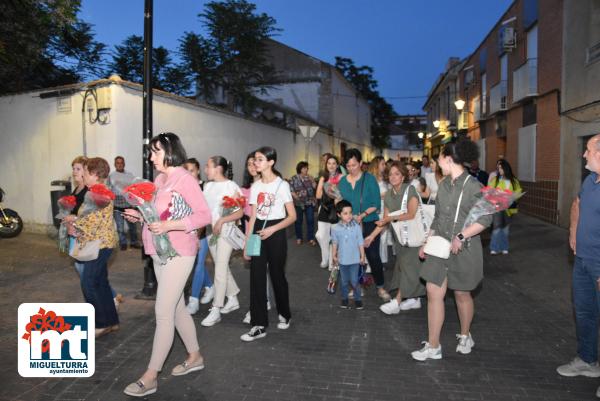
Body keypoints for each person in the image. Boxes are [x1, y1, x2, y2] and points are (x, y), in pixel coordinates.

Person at [123, 133, 211, 397]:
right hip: (158, 250)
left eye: (155, 152)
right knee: (177, 308)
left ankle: (151, 376)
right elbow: (159, 213)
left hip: (180, 251)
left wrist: (170, 225)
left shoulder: (184, 178)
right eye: (151, 152)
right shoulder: (160, 180)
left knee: (163, 312)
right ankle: (195, 356)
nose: (151, 157)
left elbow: (204, 215)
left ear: (170, 151)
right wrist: (139, 215)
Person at [411, 138, 492, 361]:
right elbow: (438, 217)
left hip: (463, 247)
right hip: (440, 245)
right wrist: (427, 241)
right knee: (433, 292)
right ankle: (434, 346)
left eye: (439, 158)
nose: (437, 163)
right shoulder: (444, 184)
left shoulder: (474, 186)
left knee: (462, 293)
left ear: (449, 159)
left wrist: (462, 235)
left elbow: (486, 219)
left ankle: (465, 335)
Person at [557, 135, 600, 399]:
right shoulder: (590, 181)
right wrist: (573, 231)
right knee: (584, 313)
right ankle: (588, 361)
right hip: (583, 261)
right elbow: (578, 204)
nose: (583, 156)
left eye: (588, 151)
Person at [242, 146, 296, 342]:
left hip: (276, 230)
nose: (256, 162)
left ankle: (284, 312)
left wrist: (273, 229)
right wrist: (248, 242)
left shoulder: (282, 186)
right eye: (255, 159)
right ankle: (258, 324)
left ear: (271, 162)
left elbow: (292, 216)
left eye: (260, 159)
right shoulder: (255, 187)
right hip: (258, 231)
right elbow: (254, 216)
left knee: (277, 274)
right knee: (256, 276)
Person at [67, 157, 119, 338]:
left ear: (95, 175)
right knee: (100, 282)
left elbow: (93, 221)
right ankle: (111, 321)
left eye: (87, 172)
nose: (84, 175)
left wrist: (75, 226)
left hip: (98, 244)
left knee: (89, 283)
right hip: (103, 243)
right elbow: (92, 217)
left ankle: (101, 323)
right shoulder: (99, 190)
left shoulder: (96, 193)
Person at [365, 161, 425, 314]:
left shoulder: (410, 190)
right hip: (401, 239)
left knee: (407, 269)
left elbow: (411, 214)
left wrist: (390, 219)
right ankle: (415, 299)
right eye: (390, 174)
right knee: (406, 268)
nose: (393, 176)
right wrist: (371, 237)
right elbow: (384, 221)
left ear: (403, 176)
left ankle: (396, 302)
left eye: (397, 173)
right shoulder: (389, 196)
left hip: (414, 238)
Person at [338, 148, 391, 301]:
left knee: (373, 256)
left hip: (368, 223)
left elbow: (376, 204)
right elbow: (341, 202)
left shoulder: (369, 179)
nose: (351, 169)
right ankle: (357, 286)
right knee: (354, 258)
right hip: (349, 225)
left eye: (354, 165)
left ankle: (380, 287)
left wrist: (361, 215)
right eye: (348, 166)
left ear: (361, 163)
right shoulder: (343, 182)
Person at [200, 156, 243, 327]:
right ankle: (232, 298)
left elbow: (239, 213)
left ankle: (216, 308)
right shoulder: (208, 186)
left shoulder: (231, 187)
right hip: (211, 232)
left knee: (219, 268)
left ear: (218, 168)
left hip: (225, 232)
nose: (205, 170)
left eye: (207, 166)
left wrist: (221, 221)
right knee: (221, 265)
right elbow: (204, 210)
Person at [184, 158, 214, 314]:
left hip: (202, 231)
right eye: (186, 170)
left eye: (191, 170)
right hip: (188, 231)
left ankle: (193, 300)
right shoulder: (183, 187)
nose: (189, 173)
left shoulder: (205, 187)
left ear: (197, 171)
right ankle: (210, 286)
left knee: (199, 264)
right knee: (196, 264)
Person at [331, 200, 366, 309]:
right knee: (344, 281)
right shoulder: (335, 228)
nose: (349, 215)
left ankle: (358, 299)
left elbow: (360, 241)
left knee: (355, 281)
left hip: (355, 260)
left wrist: (362, 256)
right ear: (339, 214)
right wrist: (334, 255)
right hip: (342, 260)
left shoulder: (356, 226)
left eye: (350, 212)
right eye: (345, 213)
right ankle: (344, 298)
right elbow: (335, 243)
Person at [488, 159, 522, 255]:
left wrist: (512, 197)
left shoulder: (514, 181)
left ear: (505, 168)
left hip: (508, 209)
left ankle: (504, 247)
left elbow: (518, 192)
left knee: (505, 230)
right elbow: (489, 192)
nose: (499, 169)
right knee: (496, 228)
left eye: (500, 167)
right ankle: (494, 248)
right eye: (498, 168)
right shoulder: (495, 180)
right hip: (497, 208)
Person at [107, 156, 140, 251]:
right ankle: (123, 243)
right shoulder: (111, 176)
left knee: (132, 227)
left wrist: (134, 204)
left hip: (129, 205)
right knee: (120, 228)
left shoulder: (129, 175)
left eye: (121, 163)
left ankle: (134, 242)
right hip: (117, 206)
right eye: (117, 163)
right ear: (115, 164)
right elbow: (108, 189)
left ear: (124, 164)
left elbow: (133, 189)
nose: (120, 164)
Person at [315, 155, 341, 269]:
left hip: (336, 210)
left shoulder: (342, 178)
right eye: (329, 163)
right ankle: (324, 259)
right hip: (325, 210)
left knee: (335, 237)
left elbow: (340, 196)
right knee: (322, 236)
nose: (331, 165)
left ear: (337, 165)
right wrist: (325, 184)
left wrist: (332, 189)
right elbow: (318, 195)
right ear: (326, 165)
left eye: (333, 163)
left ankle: (333, 261)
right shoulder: (323, 178)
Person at [368, 156, 390, 265]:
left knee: (384, 237)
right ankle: (373, 262)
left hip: (385, 210)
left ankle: (382, 261)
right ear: (376, 166)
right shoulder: (370, 179)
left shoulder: (386, 178)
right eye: (382, 164)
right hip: (374, 210)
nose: (385, 166)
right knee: (374, 236)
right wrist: (380, 195)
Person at [289, 161, 317, 246]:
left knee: (310, 220)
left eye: (307, 168)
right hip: (298, 203)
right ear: (300, 168)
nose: (306, 169)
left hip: (309, 202)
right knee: (298, 221)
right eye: (305, 168)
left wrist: (313, 181)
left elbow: (315, 187)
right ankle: (299, 237)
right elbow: (291, 189)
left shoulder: (309, 177)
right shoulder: (294, 178)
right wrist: (295, 196)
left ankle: (311, 238)